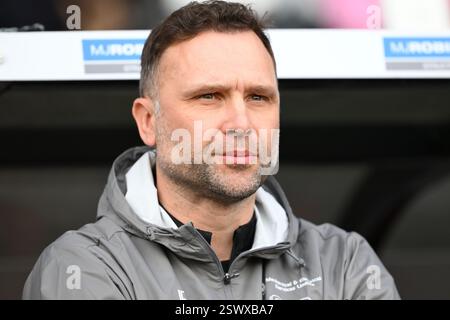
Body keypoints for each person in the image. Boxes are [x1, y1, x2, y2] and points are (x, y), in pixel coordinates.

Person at [23, 0, 400, 300]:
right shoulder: (86, 266)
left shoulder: (344, 261)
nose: (240, 122)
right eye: (209, 96)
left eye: (258, 97)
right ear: (148, 121)